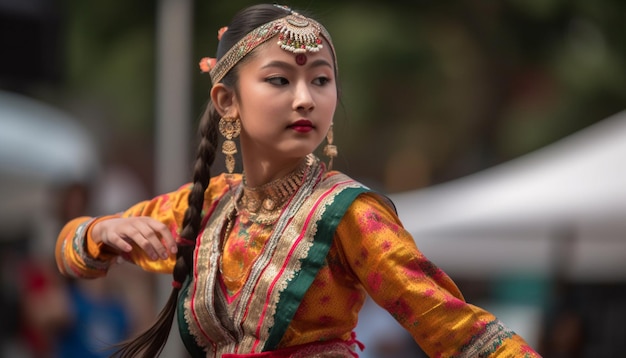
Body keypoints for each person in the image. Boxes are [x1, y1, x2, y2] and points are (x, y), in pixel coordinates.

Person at [55, 4, 541, 357]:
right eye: (280, 79)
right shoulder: (209, 205)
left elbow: (449, 325)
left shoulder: (349, 212)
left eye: (321, 80)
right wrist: (97, 233)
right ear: (227, 101)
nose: (305, 99)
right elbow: (72, 257)